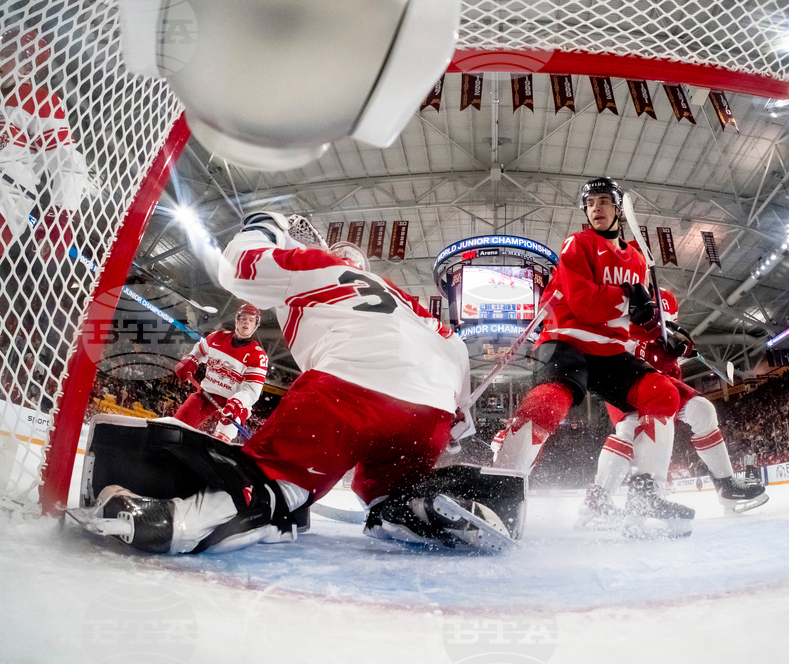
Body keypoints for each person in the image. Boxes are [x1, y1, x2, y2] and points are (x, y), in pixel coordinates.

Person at [75, 212, 523, 554]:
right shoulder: (403, 300)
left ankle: (184, 521)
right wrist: (454, 426)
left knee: (275, 478)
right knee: (384, 491)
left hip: (350, 391)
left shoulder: (316, 265)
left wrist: (262, 226)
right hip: (428, 417)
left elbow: (239, 268)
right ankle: (416, 507)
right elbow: (457, 349)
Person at [490, 177, 692, 537]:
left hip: (611, 350)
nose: (595, 208)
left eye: (603, 201)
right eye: (590, 203)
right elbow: (583, 301)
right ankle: (499, 490)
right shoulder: (577, 243)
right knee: (555, 399)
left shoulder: (637, 262)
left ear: (617, 208)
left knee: (663, 393)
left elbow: (638, 321)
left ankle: (644, 499)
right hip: (568, 338)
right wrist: (631, 300)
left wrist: (666, 338)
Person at [578, 288, 768, 528]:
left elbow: (667, 357)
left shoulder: (666, 308)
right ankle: (598, 500)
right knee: (629, 428)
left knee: (703, 410)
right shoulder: (619, 301)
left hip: (659, 382)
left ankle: (726, 486)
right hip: (626, 378)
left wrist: (676, 349)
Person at [0, 27, 89, 256]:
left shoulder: (38, 99)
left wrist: (60, 216)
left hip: (4, 199)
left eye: (6, 54)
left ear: (27, 67)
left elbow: (67, 163)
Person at [172, 303, 268, 443]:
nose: (246, 322)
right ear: (237, 321)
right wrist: (190, 360)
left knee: (219, 443)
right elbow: (199, 350)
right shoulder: (217, 337)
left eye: (251, 320)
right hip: (206, 394)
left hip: (234, 404)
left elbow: (252, 391)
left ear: (255, 326)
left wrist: (235, 404)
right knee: (177, 425)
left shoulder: (258, 356)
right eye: (243, 318)